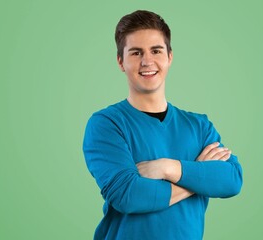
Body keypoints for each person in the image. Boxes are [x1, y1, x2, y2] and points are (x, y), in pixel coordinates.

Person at [83, 10, 243, 240]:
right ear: (121, 61)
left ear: (169, 56)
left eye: (156, 50)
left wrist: (169, 167)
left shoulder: (199, 126)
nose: (147, 61)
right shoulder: (107, 124)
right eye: (136, 52)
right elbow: (129, 196)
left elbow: (232, 180)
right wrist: (197, 177)